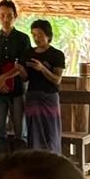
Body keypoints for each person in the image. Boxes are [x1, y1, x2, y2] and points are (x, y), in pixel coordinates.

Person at [0, 0, 31, 155]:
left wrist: (3, 78)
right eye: (2, 15)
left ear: (15, 16)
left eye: (9, 15)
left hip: (16, 88)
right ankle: (0, 160)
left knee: (19, 128)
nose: (5, 19)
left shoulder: (23, 39)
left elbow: (23, 64)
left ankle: (21, 162)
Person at [23, 19, 66, 153]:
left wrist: (42, 69)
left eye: (40, 35)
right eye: (34, 35)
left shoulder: (57, 55)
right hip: (32, 96)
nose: (37, 38)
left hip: (49, 96)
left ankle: (53, 161)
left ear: (48, 35)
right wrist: (20, 70)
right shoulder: (29, 53)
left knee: (51, 131)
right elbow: (25, 78)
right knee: (33, 131)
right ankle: (36, 162)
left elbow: (56, 80)